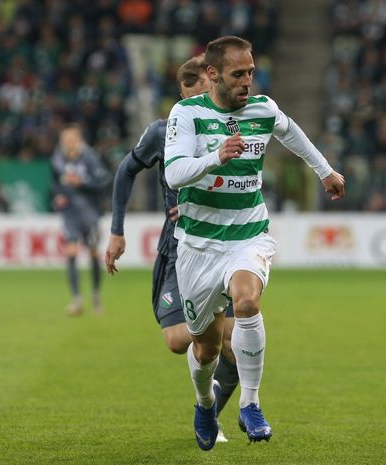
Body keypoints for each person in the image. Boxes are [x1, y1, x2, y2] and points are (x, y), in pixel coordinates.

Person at [163, 36, 345, 450]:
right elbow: (174, 174)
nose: (247, 81)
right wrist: (216, 158)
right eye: (237, 74)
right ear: (212, 75)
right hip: (197, 245)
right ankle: (205, 403)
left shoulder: (263, 108)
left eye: (251, 72)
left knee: (247, 302)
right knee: (205, 347)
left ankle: (250, 404)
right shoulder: (187, 113)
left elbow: (292, 133)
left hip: (248, 234)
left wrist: (325, 171)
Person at [104, 55, 239, 442]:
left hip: (221, 242)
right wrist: (117, 231)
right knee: (180, 341)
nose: (204, 96)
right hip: (177, 247)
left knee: (233, 340)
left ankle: (211, 413)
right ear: (183, 93)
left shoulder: (230, 128)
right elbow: (126, 171)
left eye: (209, 88)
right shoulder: (162, 132)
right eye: (196, 89)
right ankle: (206, 392)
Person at [52, 124, 111, 316]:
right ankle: (76, 299)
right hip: (70, 213)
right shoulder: (58, 160)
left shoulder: (90, 158)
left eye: (70, 140)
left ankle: (95, 295)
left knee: (93, 253)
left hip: (90, 213)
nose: (67, 144)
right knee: (71, 251)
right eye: (64, 140)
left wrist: (82, 183)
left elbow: (103, 180)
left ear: (78, 141)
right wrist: (59, 195)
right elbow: (55, 182)